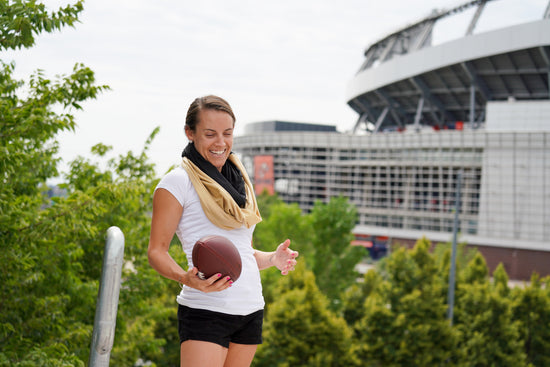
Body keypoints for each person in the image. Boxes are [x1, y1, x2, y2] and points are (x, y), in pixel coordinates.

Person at [147, 95, 299, 367]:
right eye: (210, 134)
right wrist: (186, 278)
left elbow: (240, 253)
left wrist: (272, 259)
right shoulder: (176, 183)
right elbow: (156, 252)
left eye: (227, 133)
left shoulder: (239, 181)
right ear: (189, 133)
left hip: (251, 309)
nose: (221, 143)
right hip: (206, 310)